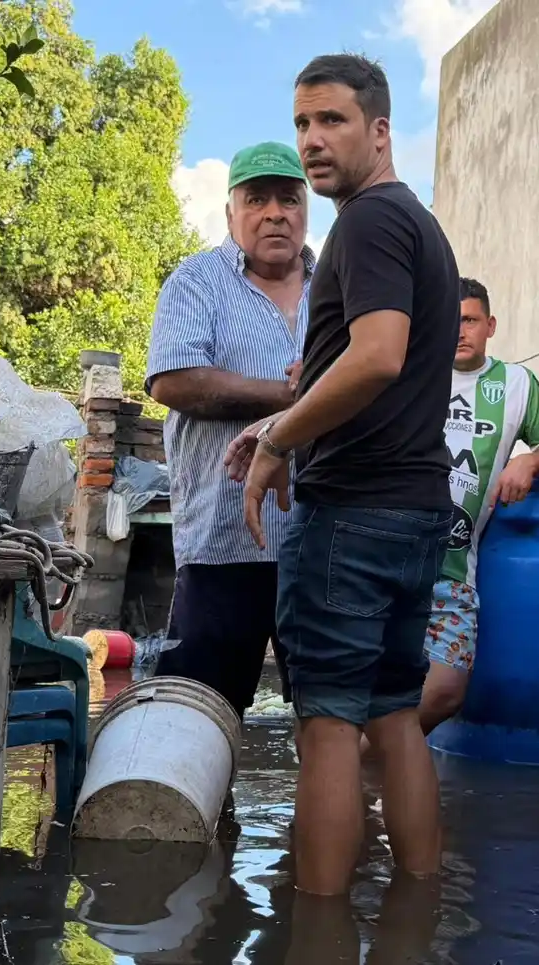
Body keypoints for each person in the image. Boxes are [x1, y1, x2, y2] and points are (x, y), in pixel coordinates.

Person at [226, 54, 459, 897]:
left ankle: (315, 929)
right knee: (396, 716)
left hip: (352, 515)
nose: (313, 141)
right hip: (413, 509)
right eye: (302, 124)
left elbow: (377, 357)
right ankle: (417, 917)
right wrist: (282, 420)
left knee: (326, 728)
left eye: (333, 121)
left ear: (381, 130)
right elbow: (359, 371)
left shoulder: (365, 222)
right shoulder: (417, 225)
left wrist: (279, 442)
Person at [144, 141, 313, 717]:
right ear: (231, 211)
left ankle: (326, 812)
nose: (274, 213)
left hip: (320, 540)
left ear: (306, 209)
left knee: (330, 712)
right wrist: (292, 398)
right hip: (223, 539)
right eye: (257, 198)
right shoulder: (197, 282)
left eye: (289, 199)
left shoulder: (336, 288)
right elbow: (173, 381)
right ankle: (206, 812)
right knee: (198, 711)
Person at [420, 276, 539, 734]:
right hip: (391, 561)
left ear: (490, 325)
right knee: (374, 689)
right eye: (449, 320)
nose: (458, 331)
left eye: (468, 320)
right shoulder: (412, 371)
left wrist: (528, 460)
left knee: (446, 691)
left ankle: (359, 768)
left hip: (454, 567)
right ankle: (360, 785)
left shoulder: (515, 383)